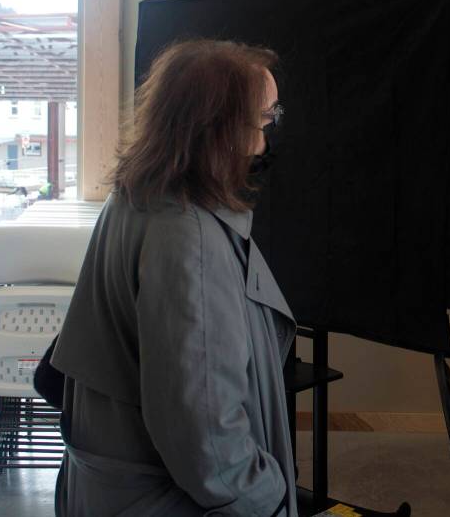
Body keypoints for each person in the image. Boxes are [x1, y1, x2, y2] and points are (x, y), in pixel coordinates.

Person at [49, 39, 296, 516]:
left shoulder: (133, 196)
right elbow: (204, 430)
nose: (266, 140)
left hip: (110, 488)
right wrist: (266, 499)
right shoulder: (189, 236)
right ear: (220, 127)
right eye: (263, 120)